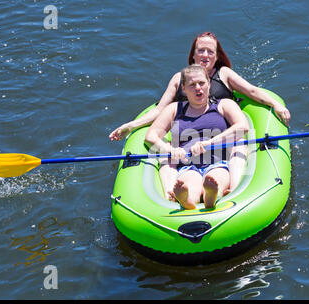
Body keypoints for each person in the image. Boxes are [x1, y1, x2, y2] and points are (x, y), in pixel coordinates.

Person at [110, 31, 290, 198]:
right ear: (193, 55)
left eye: (210, 51)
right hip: (188, 137)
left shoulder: (223, 74)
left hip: (220, 136)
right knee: (166, 156)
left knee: (239, 143)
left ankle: (235, 190)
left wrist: (274, 104)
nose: (205, 55)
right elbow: (159, 110)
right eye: (201, 50)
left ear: (217, 56)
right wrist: (131, 125)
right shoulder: (179, 78)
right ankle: (173, 194)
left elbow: (251, 91)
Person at [145, 65, 249, 209]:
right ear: (184, 88)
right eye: (192, 85)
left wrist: (209, 143)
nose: (198, 88)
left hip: (218, 161)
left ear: (209, 84)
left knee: (215, 178)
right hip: (187, 165)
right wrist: (169, 150)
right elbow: (151, 136)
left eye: (201, 83)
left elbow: (242, 127)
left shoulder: (223, 105)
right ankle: (187, 201)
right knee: (189, 184)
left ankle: (211, 196)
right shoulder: (174, 109)